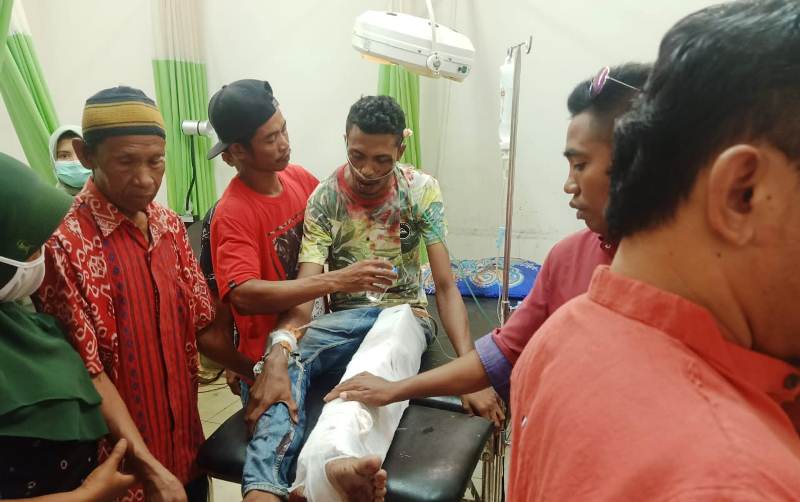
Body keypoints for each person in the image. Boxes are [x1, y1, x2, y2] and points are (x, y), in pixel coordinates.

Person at [510, 0, 800, 499]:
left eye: (582, 165)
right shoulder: (738, 481)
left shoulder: (564, 334)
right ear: (742, 193)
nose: (571, 185)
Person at [325, 64, 651, 426]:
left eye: (581, 165)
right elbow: (503, 350)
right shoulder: (566, 259)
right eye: (358, 156)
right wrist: (394, 389)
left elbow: (447, 286)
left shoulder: (677, 278)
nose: (568, 185)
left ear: (637, 166)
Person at [238, 95, 485, 501]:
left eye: (381, 159)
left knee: (375, 363)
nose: (368, 170)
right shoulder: (325, 199)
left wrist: (470, 370)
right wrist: (279, 348)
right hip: (343, 323)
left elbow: (444, 285)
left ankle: (334, 458)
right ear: (345, 141)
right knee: (283, 358)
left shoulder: (420, 190)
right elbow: (305, 296)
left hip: (405, 315)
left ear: (400, 150)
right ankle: (264, 486)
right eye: (357, 156)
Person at [35, 86, 216, 502]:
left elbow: (201, 323)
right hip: (123, 478)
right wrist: (149, 469)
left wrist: (258, 370)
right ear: (86, 155)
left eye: (156, 161)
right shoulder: (64, 244)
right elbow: (88, 371)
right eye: (125, 162)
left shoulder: (169, 226)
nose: (146, 179)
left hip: (186, 453)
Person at [0, 152, 135, 502]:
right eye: (30, 248)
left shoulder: (20, 321)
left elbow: (91, 374)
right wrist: (87, 496)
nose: (42, 257)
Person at [49, 125, 91, 195]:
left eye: (82, 153)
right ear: (53, 160)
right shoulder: (51, 199)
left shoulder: (110, 194)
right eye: (64, 156)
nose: (75, 162)